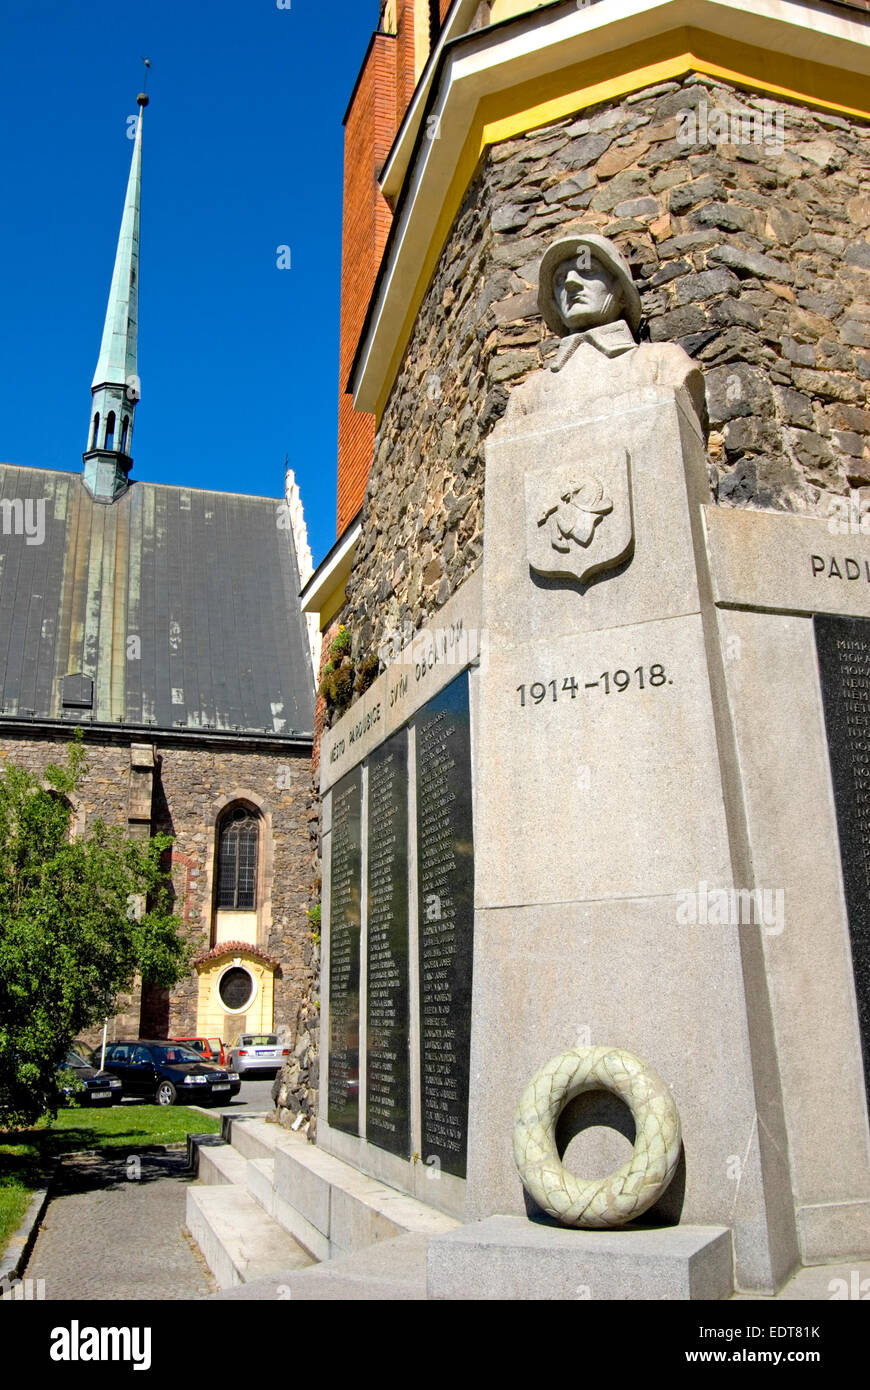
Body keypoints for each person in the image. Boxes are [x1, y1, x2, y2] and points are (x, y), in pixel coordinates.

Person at [506, 233, 708, 433]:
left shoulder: (665, 362)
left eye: (588, 271)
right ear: (555, 305)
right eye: (560, 279)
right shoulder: (527, 395)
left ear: (620, 290)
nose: (570, 283)